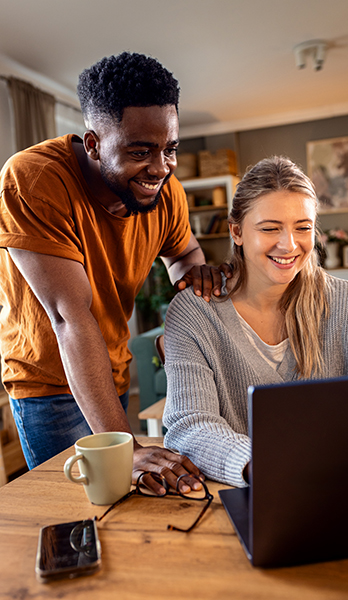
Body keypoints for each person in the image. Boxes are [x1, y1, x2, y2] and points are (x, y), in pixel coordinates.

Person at [0, 51, 230, 493]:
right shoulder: (33, 180)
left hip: (111, 371)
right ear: (93, 144)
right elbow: (70, 317)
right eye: (141, 151)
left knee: (127, 511)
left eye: (171, 149)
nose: (161, 168)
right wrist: (123, 443)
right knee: (76, 519)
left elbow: (185, 254)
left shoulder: (165, 190)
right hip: (49, 387)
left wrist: (186, 315)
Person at [162, 155, 348, 488]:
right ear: (237, 231)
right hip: (253, 491)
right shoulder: (194, 314)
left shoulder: (347, 302)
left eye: (303, 227)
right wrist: (264, 466)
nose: (289, 245)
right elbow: (190, 426)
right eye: (270, 228)